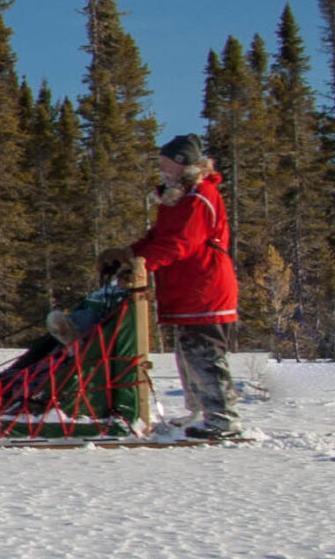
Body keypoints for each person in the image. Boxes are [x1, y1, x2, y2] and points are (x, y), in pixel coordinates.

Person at [98, 133, 241, 440]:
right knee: (188, 353)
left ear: (182, 164)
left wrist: (142, 263)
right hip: (187, 290)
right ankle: (201, 412)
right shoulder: (179, 198)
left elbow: (180, 243)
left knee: (204, 354)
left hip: (206, 289)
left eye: (166, 165)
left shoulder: (200, 196)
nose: (162, 171)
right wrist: (129, 255)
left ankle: (222, 419)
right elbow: (159, 236)